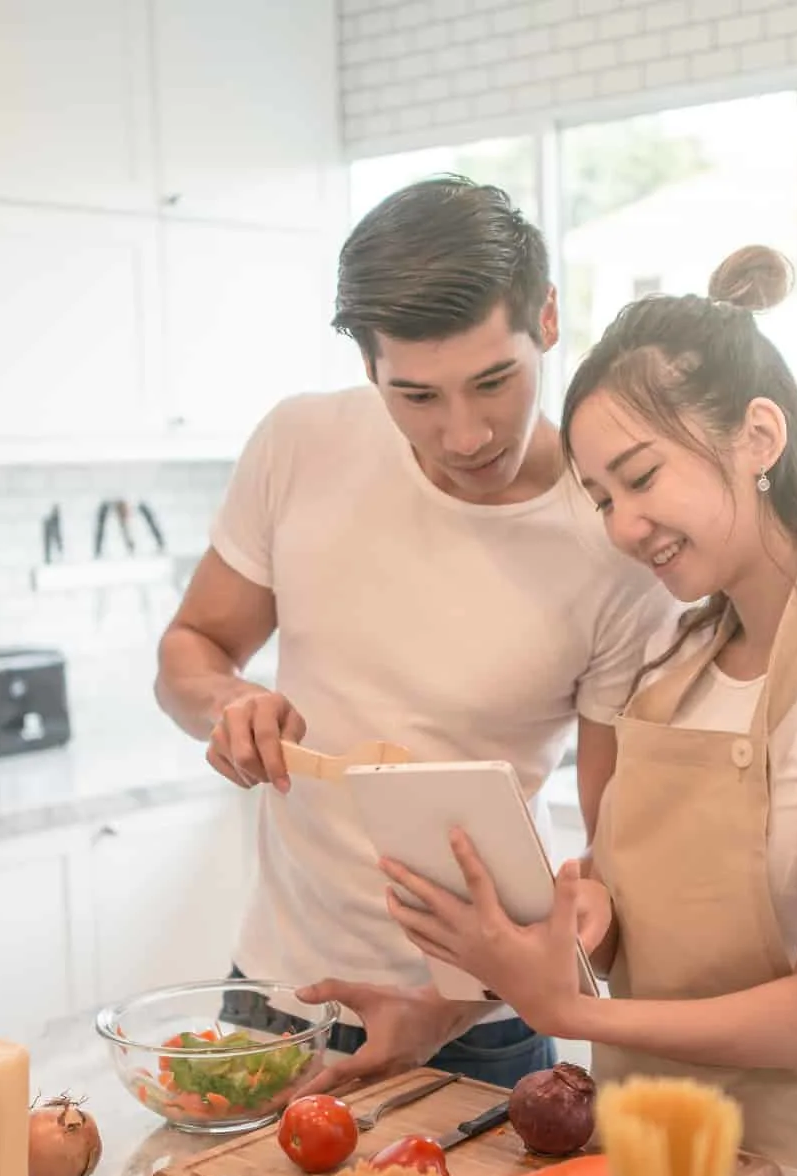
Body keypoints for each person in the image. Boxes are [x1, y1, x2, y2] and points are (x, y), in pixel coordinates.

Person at [379, 245, 797, 1176]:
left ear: (758, 436)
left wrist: (572, 1014)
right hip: (639, 1150)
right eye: (603, 497)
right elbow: (645, 937)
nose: (625, 525)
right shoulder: (670, 667)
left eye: (642, 476)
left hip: (796, 1168)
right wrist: (585, 927)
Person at [153, 177, 677, 1092]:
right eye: (417, 396)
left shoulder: (616, 543)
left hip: (482, 1025)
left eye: (493, 381)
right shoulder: (299, 444)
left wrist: (459, 1003)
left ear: (548, 319)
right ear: (369, 369)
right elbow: (190, 648)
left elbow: (615, 860)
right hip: (280, 992)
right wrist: (227, 703)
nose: (464, 433)